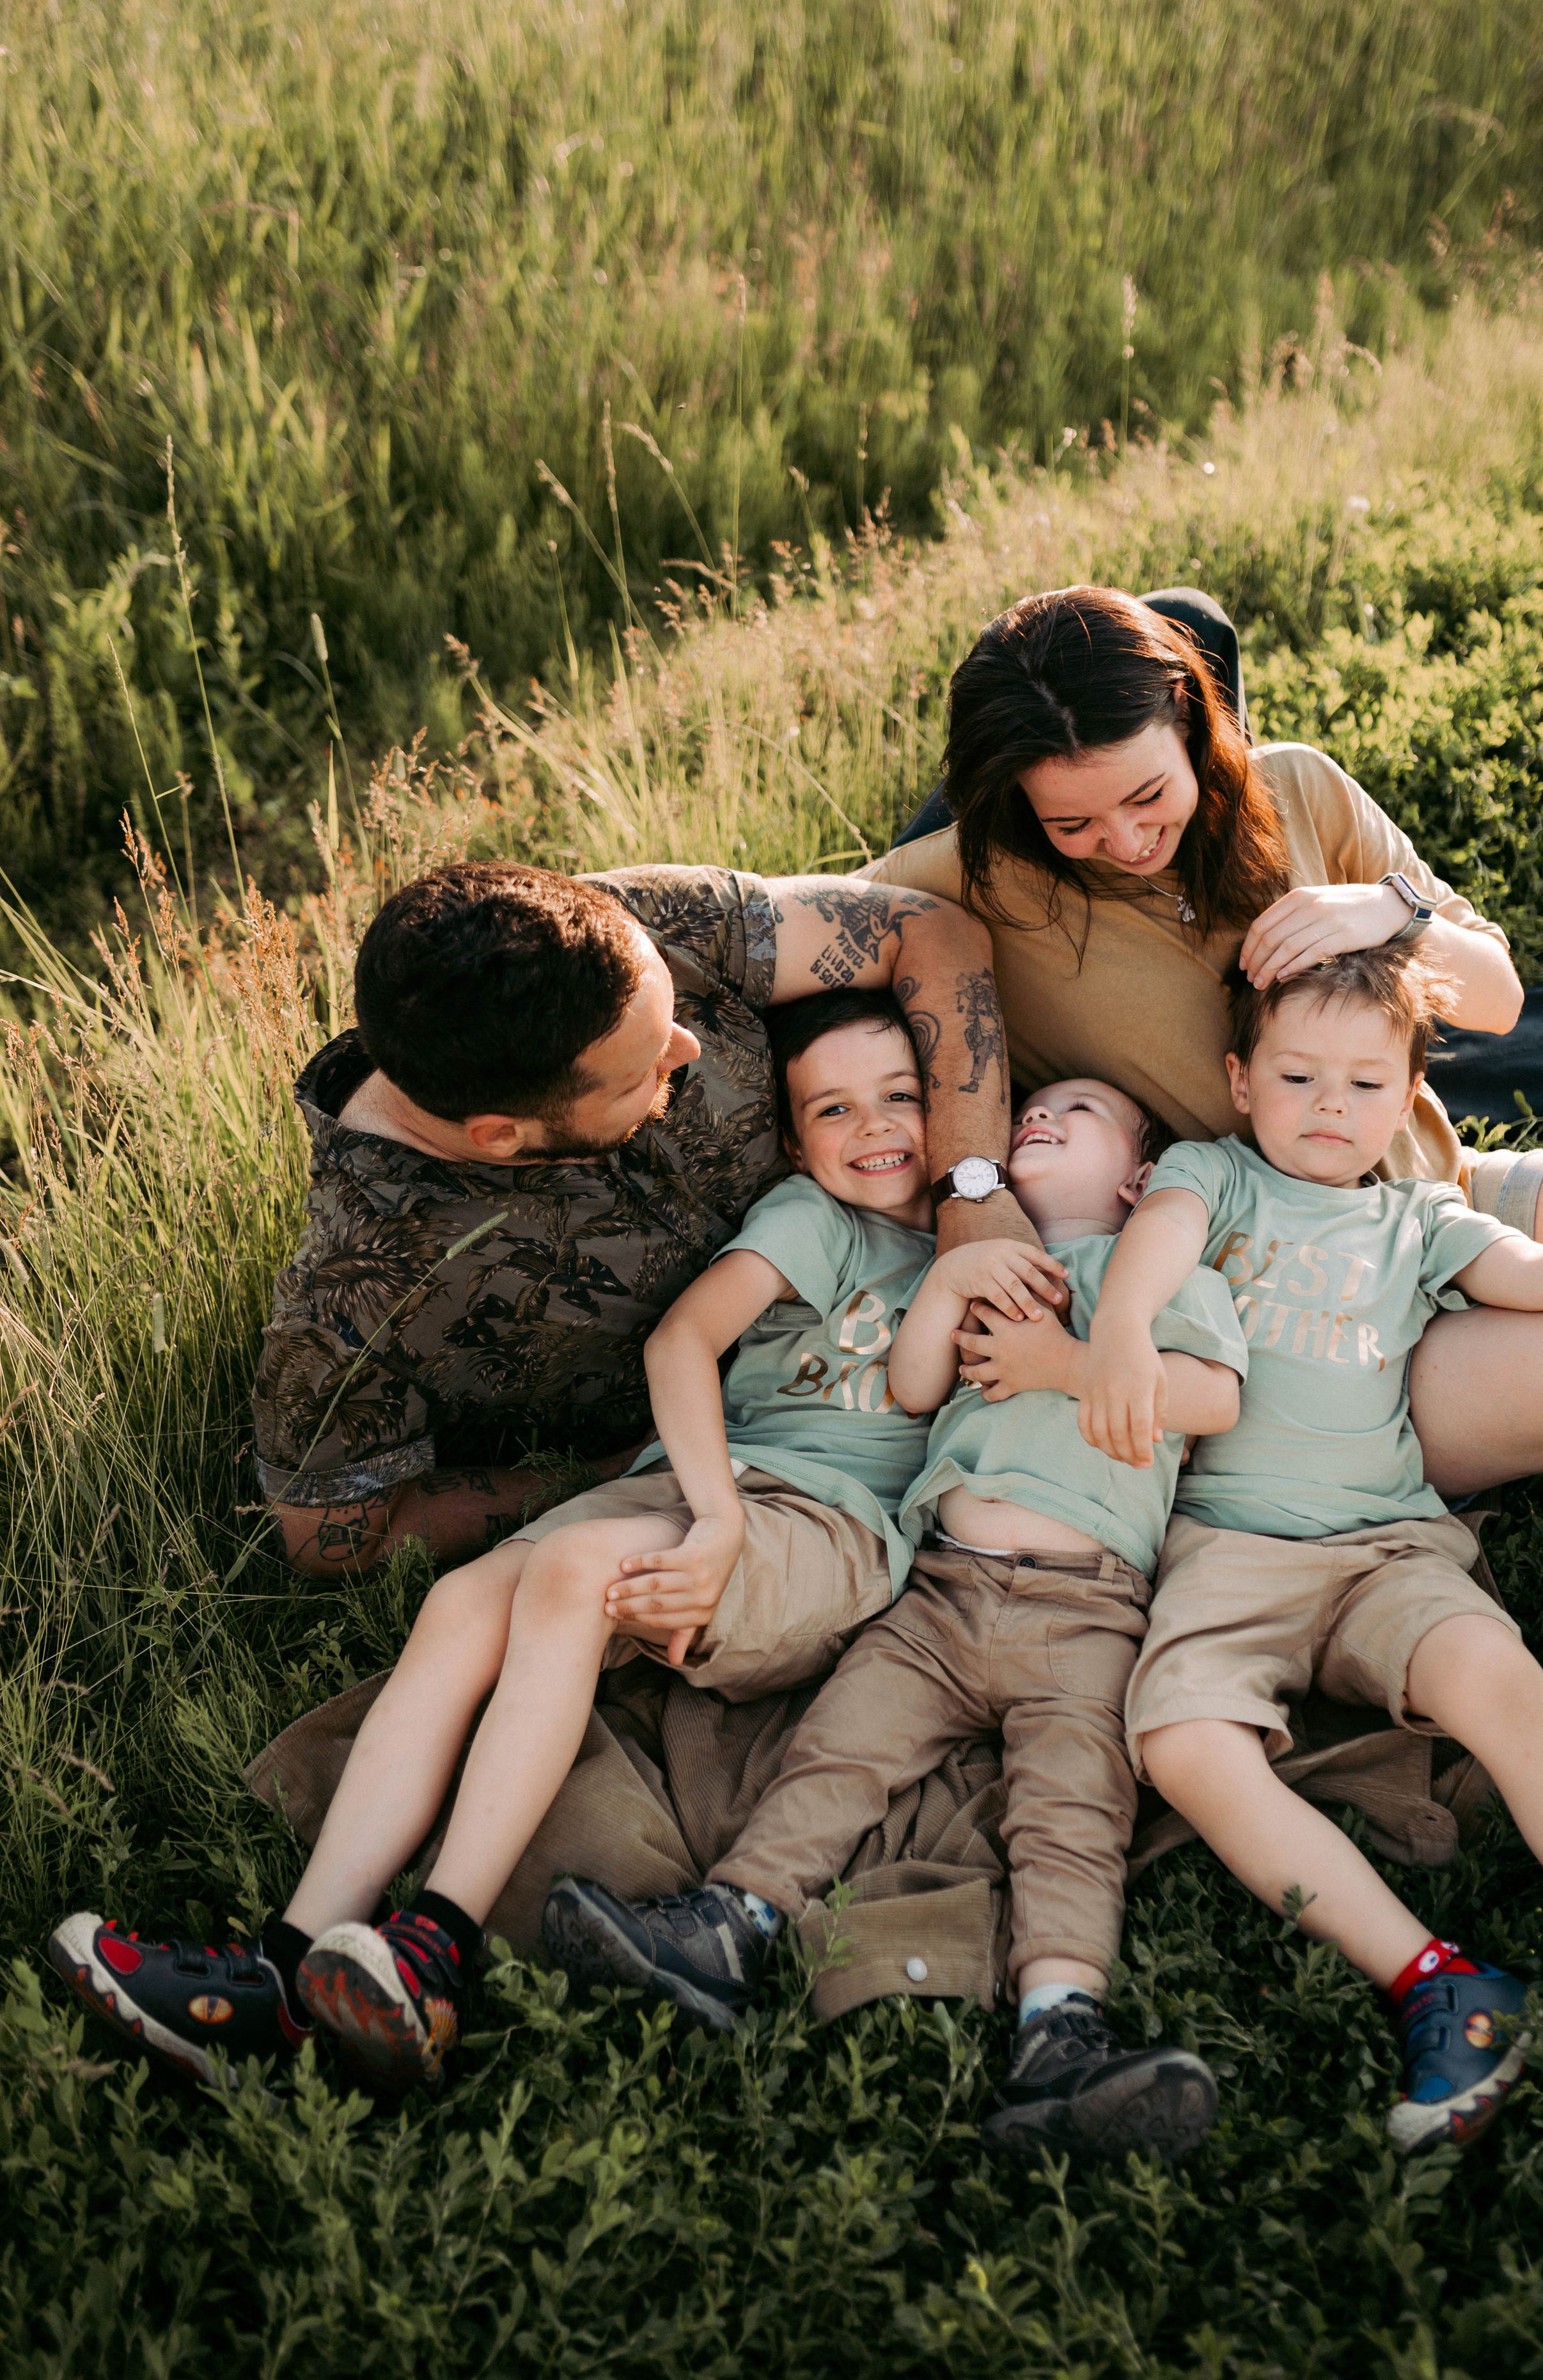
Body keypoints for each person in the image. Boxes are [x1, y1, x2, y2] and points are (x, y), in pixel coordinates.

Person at [50, 991, 1058, 2091]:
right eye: (834, 1109)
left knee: (574, 1568)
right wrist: (712, 1513)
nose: (874, 1129)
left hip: (835, 1531)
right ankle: (285, 1971)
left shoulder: (997, 1242)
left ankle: (435, 1946)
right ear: (792, 1139)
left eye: (901, 1098)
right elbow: (683, 1343)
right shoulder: (814, 1219)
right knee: (464, 1602)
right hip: (706, 1488)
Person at [538, 1075, 1248, 2165]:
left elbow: (1213, 1400)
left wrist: (1067, 1360)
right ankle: (732, 1923)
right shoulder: (985, 1273)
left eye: (1081, 1111)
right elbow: (916, 1390)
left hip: (1087, 1611)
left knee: (1071, 1812)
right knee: (839, 1749)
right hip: (943, 1590)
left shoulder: (1152, 1285)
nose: (1041, 1118)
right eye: (1029, 1113)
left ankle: (1061, 2031)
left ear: (1140, 1175)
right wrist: (959, 1276)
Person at [872, 585, 1543, 1501]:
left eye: (1148, 793)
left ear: (1192, 722)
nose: (1123, 838)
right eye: (1071, 823)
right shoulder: (969, 878)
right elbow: (761, 923)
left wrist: (1388, 911)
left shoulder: (1299, 789)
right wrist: (970, 1184)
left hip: (1443, 1197)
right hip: (1314, 1326)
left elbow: (1500, 1002)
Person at [1071, 943, 1543, 2152]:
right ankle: (1435, 1978)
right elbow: (1159, 1244)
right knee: (1179, 1741)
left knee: (1496, 1680)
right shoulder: (1210, 1176)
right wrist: (1120, 1326)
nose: (1333, 1108)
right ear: (1238, 1079)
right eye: (1299, 1076)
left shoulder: (1420, 1216)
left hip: (1385, 1543)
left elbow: (1533, 1275)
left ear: (1410, 1099)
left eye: (1368, 1086)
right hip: (1226, 1554)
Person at [253, 857, 1029, 1579]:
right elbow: (326, 1536)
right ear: (500, 1135)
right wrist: (625, 1467)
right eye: (644, 1065)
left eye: (670, 1013)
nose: (687, 1048)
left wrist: (971, 1189)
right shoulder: (358, 1287)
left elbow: (934, 928)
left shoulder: (610, 933)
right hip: (785, 1466)